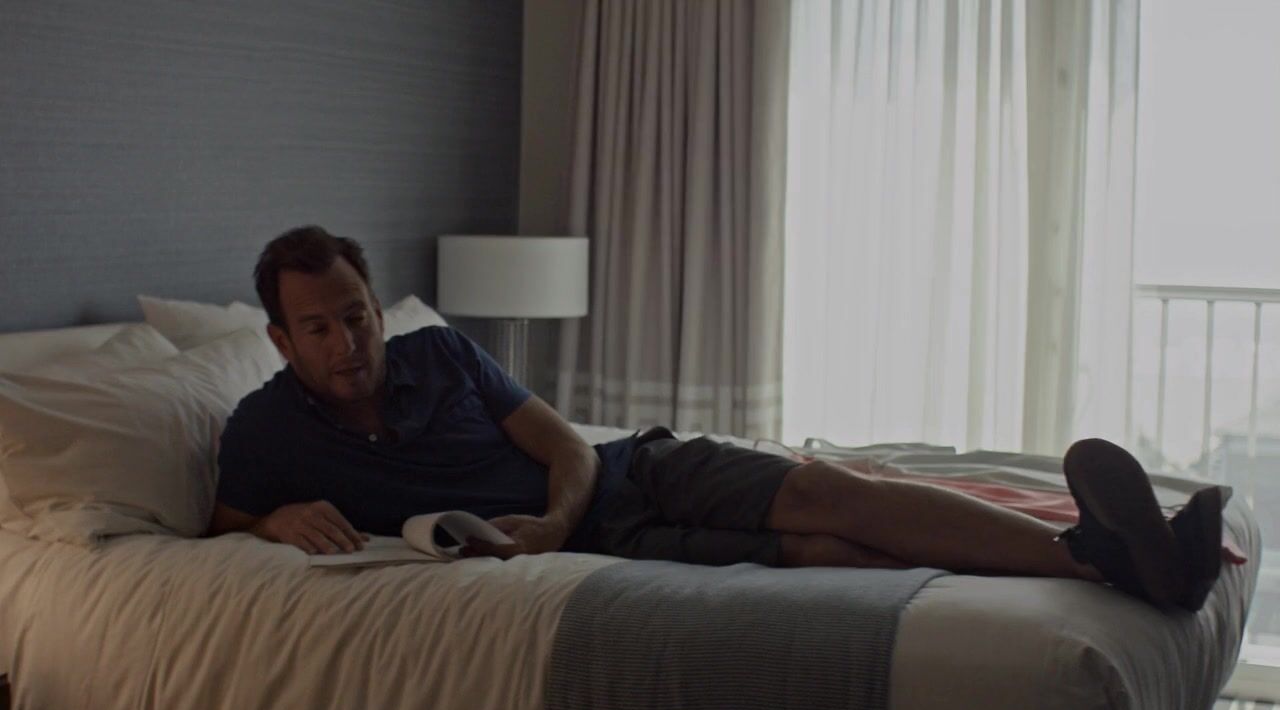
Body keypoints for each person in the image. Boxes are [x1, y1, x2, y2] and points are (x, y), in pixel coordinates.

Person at [208, 226, 1228, 612]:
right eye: (320, 327)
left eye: (357, 314)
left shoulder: (436, 352)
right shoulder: (266, 430)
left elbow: (563, 445)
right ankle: (1119, 565)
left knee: (830, 492)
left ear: (375, 306)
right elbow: (218, 519)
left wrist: (555, 523)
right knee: (826, 552)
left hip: (627, 477)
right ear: (281, 339)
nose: (348, 341)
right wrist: (273, 520)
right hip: (617, 547)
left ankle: (1089, 555)